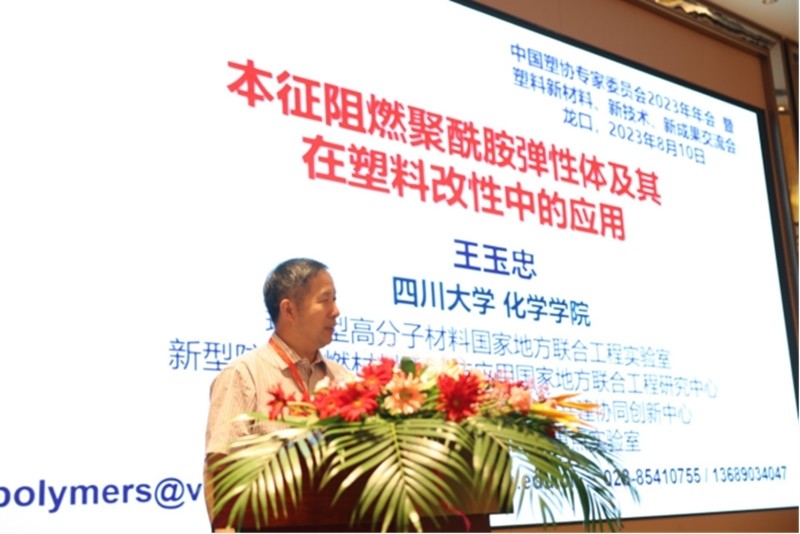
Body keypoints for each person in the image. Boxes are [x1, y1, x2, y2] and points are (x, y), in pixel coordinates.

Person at [203, 258, 351, 530]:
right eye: (325, 300)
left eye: (335, 299)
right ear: (289, 310)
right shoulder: (243, 374)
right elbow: (220, 467)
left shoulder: (343, 378)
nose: (336, 311)